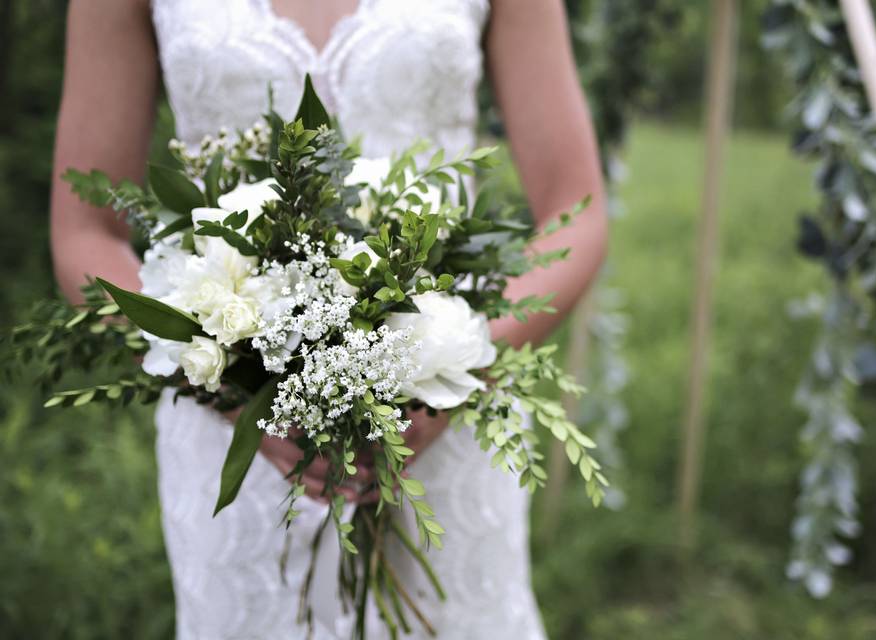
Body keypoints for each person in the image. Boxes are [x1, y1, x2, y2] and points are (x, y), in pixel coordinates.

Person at [50, 1, 607, 637]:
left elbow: (576, 208)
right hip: (237, 438)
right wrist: (234, 388)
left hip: (449, 421)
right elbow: (83, 230)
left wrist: (455, 367)